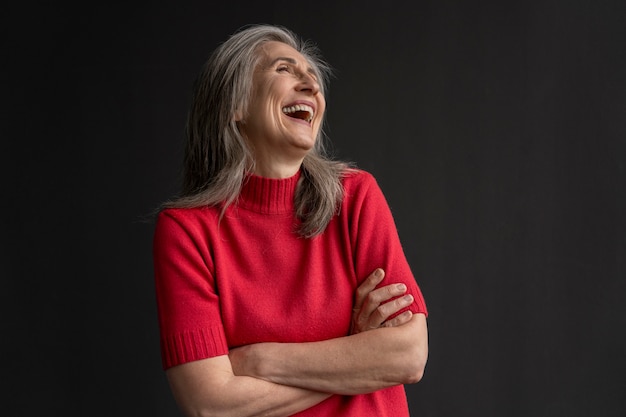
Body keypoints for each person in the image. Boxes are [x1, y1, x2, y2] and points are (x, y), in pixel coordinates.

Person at [152, 23, 428, 417]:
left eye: (313, 78)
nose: (311, 86)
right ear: (236, 104)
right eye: (284, 69)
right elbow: (209, 404)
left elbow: (409, 355)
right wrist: (356, 356)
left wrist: (258, 361)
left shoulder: (355, 197)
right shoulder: (185, 231)